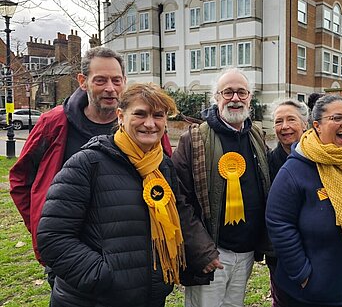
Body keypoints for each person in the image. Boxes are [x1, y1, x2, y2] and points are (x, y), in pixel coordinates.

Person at [36, 83, 217, 306]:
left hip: (148, 297)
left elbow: (179, 211)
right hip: (94, 299)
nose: (150, 124)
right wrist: (104, 277)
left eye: (158, 116)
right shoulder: (86, 164)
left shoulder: (163, 166)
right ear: (120, 116)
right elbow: (53, 237)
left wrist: (203, 252)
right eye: (140, 114)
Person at [9, 47, 172, 284]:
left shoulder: (143, 126)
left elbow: (165, 175)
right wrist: (41, 226)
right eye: (101, 80)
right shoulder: (53, 123)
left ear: (124, 81)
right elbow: (20, 180)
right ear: (83, 82)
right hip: (71, 256)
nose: (110, 88)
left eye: (116, 80)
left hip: (133, 256)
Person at [266, 95, 342, 307]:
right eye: (337, 118)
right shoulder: (296, 167)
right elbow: (278, 222)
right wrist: (302, 273)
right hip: (311, 294)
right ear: (317, 126)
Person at [172, 68, 271, 307]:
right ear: (216, 97)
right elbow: (178, 200)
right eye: (228, 92)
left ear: (249, 97)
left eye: (241, 92)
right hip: (211, 252)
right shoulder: (193, 140)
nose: (235, 98)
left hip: (246, 252)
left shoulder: (256, 136)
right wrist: (202, 251)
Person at [266, 98, 309, 307]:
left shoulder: (320, 158)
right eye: (278, 121)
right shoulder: (268, 163)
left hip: (316, 248)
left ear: (305, 124)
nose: (284, 127)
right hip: (280, 252)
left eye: (291, 119)